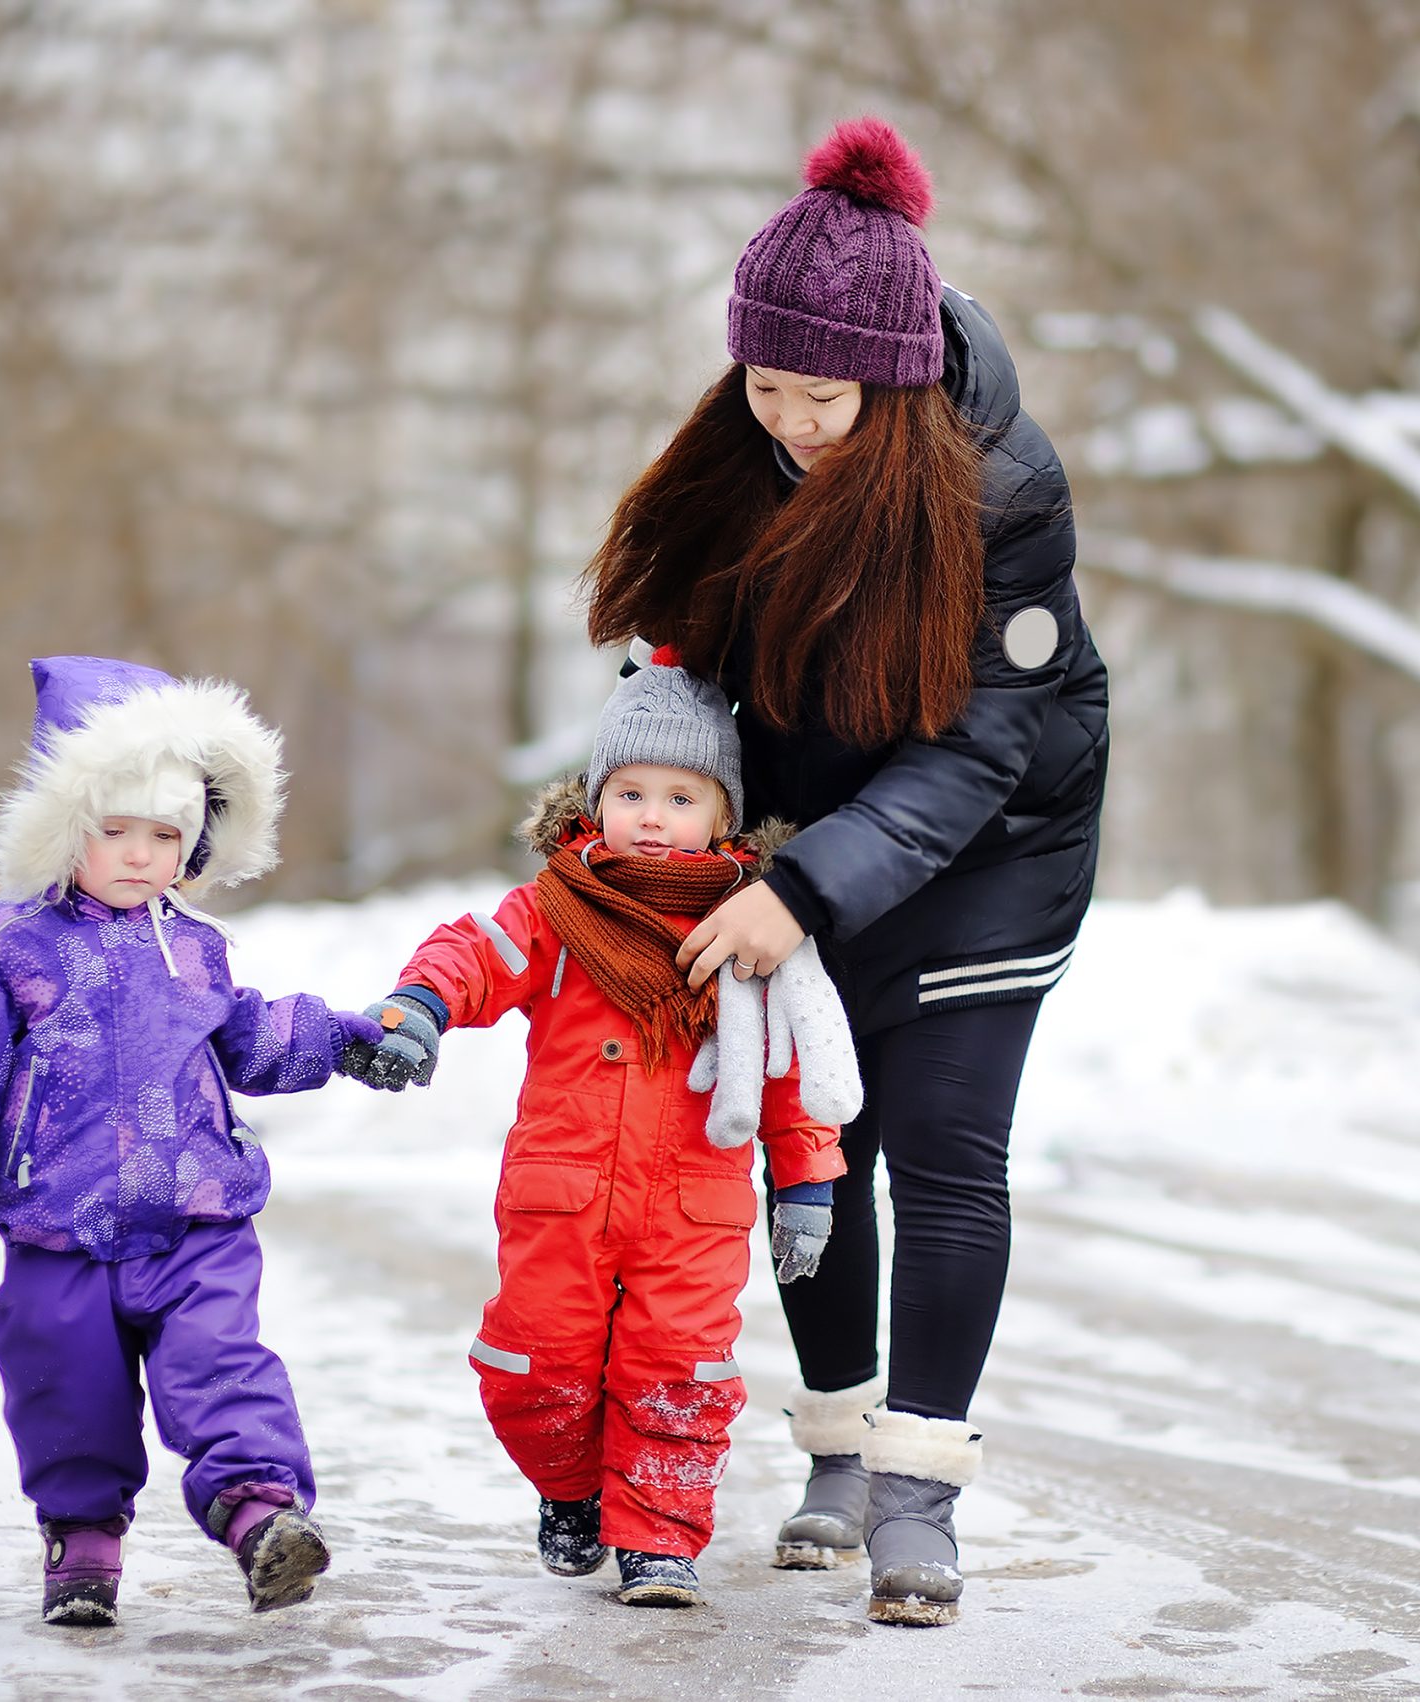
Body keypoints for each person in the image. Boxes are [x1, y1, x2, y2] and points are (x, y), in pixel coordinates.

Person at [582, 116, 1109, 1626]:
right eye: (766, 386)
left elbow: (978, 748)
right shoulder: (740, 461)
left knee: (942, 1143)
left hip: (993, 842)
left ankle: (917, 1485)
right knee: (818, 1142)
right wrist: (653, 808)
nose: (794, 421)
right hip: (808, 838)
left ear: (894, 375)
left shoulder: (1004, 487)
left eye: (824, 397)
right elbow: (681, 666)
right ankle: (833, 1445)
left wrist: (802, 894)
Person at [343, 653, 860, 1608]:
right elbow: (476, 954)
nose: (652, 816)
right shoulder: (557, 907)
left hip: (694, 1206)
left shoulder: (750, 932)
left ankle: (659, 1540)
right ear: (595, 799)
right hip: (562, 1197)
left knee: (680, 1372)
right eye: (630, 793)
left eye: (680, 797)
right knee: (531, 1364)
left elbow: (788, 1070)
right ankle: (571, 1487)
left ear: (724, 816)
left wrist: (808, 1181)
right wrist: (420, 1003)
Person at [0, 655, 384, 1627]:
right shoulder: (4, 942)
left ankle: (262, 1516)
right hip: (57, 1224)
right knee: (63, 1385)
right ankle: (81, 1540)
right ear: (62, 824)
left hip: (197, 1214)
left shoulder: (193, 944)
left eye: (165, 835)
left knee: (222, 1362)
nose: (138, 855)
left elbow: (249, 1037)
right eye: (113, 830)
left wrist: (341, 1038)